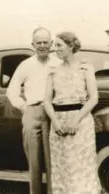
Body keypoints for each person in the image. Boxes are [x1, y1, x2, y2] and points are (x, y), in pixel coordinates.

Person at [43, 32, 101, 194]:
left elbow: (94, 98)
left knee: (81, 167)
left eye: (59, 45)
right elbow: (46, 101)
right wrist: (55, 122)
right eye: (55, 45)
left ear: (71, 46)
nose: (55, 49)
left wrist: (76, 120)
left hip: (80, 122)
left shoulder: (85, 67)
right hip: (58, 123)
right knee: (62, 168)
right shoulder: (53, 70)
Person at [6, 27, 62, 194]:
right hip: (33, 112)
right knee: (34, 160)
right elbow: (12, 90)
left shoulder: (58, 63)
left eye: (46, 42)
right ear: (33, 45)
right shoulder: (26, 65)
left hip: (53, 113)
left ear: (51, 43)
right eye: (39, 43)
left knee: (53, 159)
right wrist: (24, 107)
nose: (43, 45)